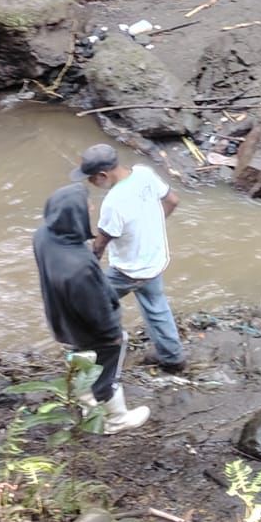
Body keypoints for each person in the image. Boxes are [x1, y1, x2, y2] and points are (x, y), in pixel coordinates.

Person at [32, 183, 150, 433]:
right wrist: (114, 335)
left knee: (80, 357)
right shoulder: (79, 266)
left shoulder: (43, 235)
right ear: (75, 215)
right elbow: (96, 311)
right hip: (90, 329)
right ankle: (116, 420)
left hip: (61, 318)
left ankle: (86, 404)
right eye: (87, 206)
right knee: (107, 369)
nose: (92, 207)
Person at [81, 144, 187, 374]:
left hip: (127, 270)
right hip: (155, 259)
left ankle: (96, 355)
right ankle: (173, 358)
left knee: (91, 303)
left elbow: (100, 244)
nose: (90, 183)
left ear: (103, 175)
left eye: (91, 179)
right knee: (156, 307)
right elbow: (172, 201)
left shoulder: (113, 202)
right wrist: (150, 229)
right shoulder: (144, 173)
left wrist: (85, 272)